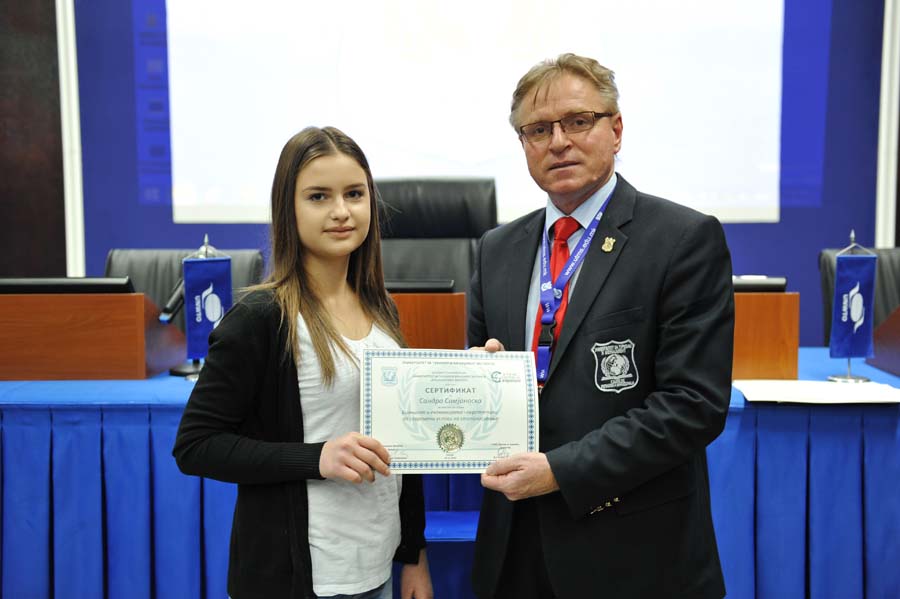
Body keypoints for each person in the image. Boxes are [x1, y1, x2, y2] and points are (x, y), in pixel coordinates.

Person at [468, 54, 734, 599]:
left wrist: (560, 471)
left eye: (578, 121)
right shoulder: (496, 249)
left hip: (633, 554)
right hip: (515, 551)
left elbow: (692, 405)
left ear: (616, 130)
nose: (558, 142)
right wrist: (476, 381)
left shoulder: (682, 239)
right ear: (523, 144)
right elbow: (483, 379)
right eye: (538, 130)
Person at [172, 126, 433, 599]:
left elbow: (402, 445)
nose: (341, 211)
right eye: (318, 196)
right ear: (288, 209)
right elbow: (196, 445)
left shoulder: (382, 309)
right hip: (299, 578)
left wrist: (413, 555)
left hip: (375, 566)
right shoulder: (261, 317)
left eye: (354, 194)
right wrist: (317, 457)